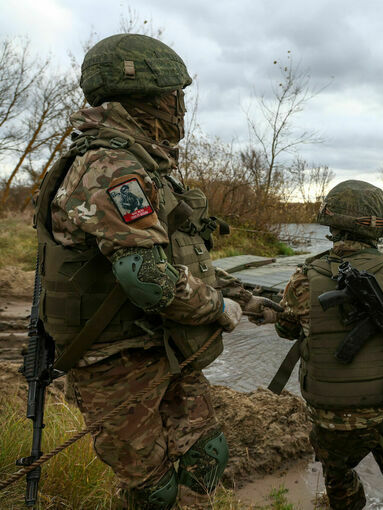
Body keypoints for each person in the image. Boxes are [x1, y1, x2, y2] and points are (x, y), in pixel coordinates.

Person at [34, 33, 280, 509]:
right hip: (113, 359)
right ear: (149, 98)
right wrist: (218, 307)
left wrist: (247, 299)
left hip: (160, 344)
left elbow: (181, 258)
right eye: (175, 96)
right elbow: (147, 277)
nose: (180, 107)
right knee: (153, 491)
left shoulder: (148, 164)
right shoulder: (109, 167)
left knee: (207, 453)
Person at [273, 180, 383, 509]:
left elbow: (286, 329)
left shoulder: (303, 277)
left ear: (330, 223)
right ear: (382, 226)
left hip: (331, 417)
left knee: (338, 477)